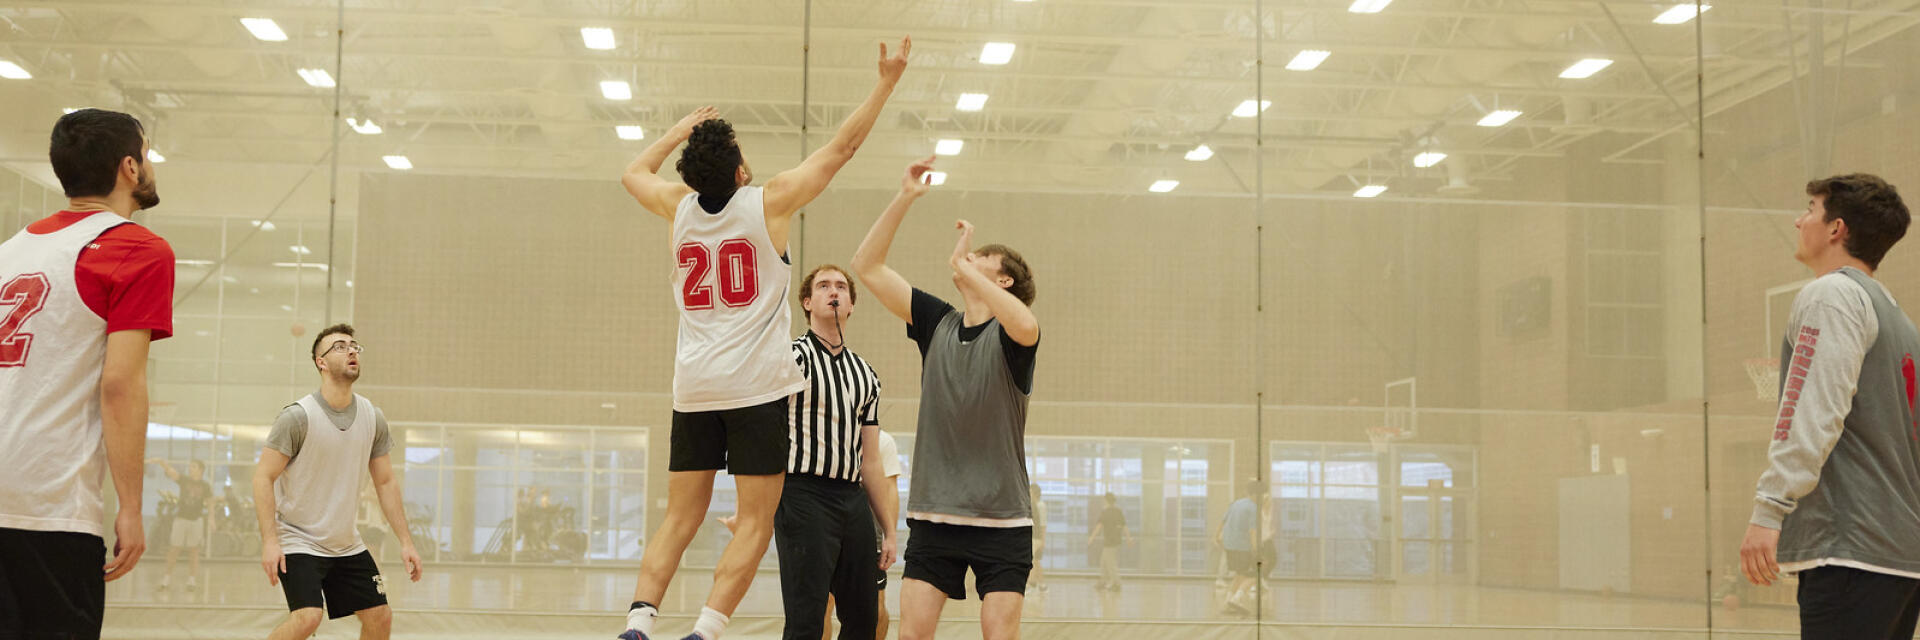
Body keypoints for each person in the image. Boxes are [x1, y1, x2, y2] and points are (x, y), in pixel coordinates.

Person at [616, 37, 911, 640]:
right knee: (755, 519)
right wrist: (885, 82)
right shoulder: (768, 202)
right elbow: (843, 147)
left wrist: (679, 129)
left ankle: (640, 620)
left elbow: (630, 172)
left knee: (680, 516)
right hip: (753, 390)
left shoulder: (677, 207)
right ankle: (706, 627)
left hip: (693, 386)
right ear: (741, 170)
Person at [0, 108, 173, 638]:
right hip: (49, 504)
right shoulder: (138, 248)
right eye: (145, 154)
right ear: (129, 167)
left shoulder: (10, 251)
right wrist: (131, 506)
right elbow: (120, 385)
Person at [852, 156, 1041, 640]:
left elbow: (1026, 324)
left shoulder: (1012, 335)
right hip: (935, 518)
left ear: (1003, 282)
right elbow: (866, 266)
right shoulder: (938, 321)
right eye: (967, 257)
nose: (967, 258)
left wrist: (962, 265)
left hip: (1004, 521)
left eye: (980, 259)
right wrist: (905, 197)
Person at [1739, 174, 1920, 640]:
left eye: (1810, 209)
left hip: (1849, 553)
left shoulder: (1831, 296)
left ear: (1836, 228)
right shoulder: (1899, 318)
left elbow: (1814, 412)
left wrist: (1769, 508)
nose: (1799, 220)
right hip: (1899, 559)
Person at [254, 324, 423, 640]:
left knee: (380, 618)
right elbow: (263, 476)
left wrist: (406, 541)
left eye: (355, 345)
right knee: (307, 618)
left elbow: (385, 482)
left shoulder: (373, 417)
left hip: (346, 543)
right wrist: (270, 540)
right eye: (341, 346)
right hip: (298, 539)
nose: (352, 350)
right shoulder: (297, 417)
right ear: (320, 362)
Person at [773, 265, 896, 640]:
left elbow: (871, 461)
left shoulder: (866, 375)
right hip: (801, 493)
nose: (834, 291)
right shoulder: (790, 357)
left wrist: (889, 530)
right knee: (807, 617)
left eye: (841, 286)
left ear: (851, 305)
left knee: (865, 617)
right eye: (824, 285)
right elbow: (761, 435)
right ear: (808, 302)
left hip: (851, 497)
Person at [148, 458, 214, 592]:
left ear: (200, 470)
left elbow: (210, 502)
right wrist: (161, 462)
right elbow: (171, 472)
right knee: (174, 549)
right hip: (181, 519)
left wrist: (212, 518)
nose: (190, 469)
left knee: (194, 550)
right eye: (190, 467)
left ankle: (191, 580)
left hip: (196, 521)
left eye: (193, 467)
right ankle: (166, 578)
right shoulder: (184, 480)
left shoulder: (206, 486)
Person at [1218, 480, 1266, 615]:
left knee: (1239, 574)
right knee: (1256, 574)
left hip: (1229, 545)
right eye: (1262, 494)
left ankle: (1227, 602)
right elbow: (1252, 531)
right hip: (1243, 546)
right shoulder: (1253, 508)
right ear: (1258, 494)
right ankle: (1236, 599)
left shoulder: (1236, 503)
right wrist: (1256, 549)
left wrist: (1216, 537)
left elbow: (1223, 521)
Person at [1086, 493, 1130, 592]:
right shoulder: (1118, 511)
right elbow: (1124, 526)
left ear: (1106, 500)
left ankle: (1116, 583)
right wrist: (1128, 538)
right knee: (1104, 561)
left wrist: (1091, 538)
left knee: (1110, 563)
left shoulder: (1105, 512)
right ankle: (1103, 581)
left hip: (1109, 541)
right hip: (1116, 541)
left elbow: (1099, 526)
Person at [1026, 484, 1047, 594]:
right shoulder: (1034, 505)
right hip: (1035, 537)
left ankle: (1030, 585)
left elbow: (1043, 524)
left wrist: (1043, 540)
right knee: (1036, 562)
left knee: (1031, 562)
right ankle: (1042, 585)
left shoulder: (1040, 505)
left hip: (1036, 537)